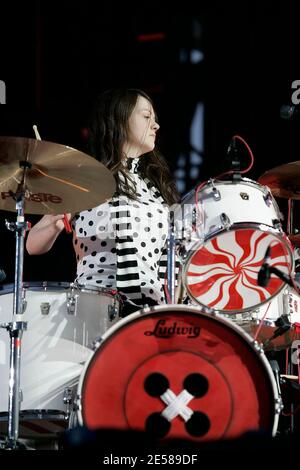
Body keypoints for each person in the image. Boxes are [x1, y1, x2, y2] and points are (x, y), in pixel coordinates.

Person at [26, 88, 179, 316]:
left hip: (149, 310)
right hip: (93, 303)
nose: (155, 125)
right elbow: (32, 245)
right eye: (147, 117)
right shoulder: (86, 181)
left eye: (155, 119)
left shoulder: (156, 191)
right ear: (120, 120)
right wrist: (55, 223)